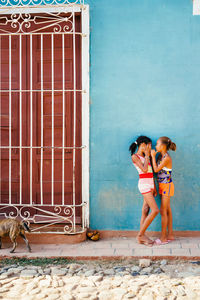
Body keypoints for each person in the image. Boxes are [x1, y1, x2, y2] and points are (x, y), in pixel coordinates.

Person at [129, 136, 159, 246]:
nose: (150, 147)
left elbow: (151, 174)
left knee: (145, 210)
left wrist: (154, 187)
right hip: (144, 185)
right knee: (155, 210)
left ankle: (142, 236)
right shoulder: (135, 157)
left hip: (150, 185)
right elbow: (145, 169)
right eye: (149, 145)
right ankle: (141, 235)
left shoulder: (147, 157)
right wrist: (147, 156)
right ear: (142, 144)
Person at [151, 136, 176, 245]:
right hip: (162, 185)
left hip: (167, 186)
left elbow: (156, 169)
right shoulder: (161, 156)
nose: (155, 146)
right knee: (167, 210)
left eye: (157, 144)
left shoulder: (166, 158)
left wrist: (152, 156)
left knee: (163, 211)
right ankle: (170, 235)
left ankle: (163, 238)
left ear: (163, 146)